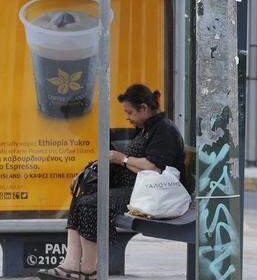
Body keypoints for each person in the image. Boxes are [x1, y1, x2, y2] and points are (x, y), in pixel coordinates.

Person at [38, 84, 186, 280]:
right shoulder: (146, 128)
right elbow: (140, 165)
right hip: (137, 190)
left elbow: (153, 168)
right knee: (81, 196)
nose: (127, 116)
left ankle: (90, 270)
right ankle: (71, 263)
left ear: (143, 108)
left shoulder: (163, 130)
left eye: (130, 112)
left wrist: (122, 159)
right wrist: (121, 161)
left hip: (151, 195)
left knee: (92, 203)